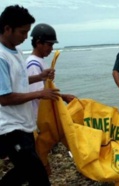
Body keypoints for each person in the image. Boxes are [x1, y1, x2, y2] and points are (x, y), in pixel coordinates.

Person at [0, 5, 61, 185]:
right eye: (22, 32)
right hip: (10, 128)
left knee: (25, 171)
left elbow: (20, 80)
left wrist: (39, 77)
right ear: (7, 28)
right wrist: (40, 94)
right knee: (37, 175)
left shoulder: (16, 51)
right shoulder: (1, 57)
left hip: (24, 124)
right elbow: (4, 98)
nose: (26, 37)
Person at [26, 23, 75, 121]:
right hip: (39, 117)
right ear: (38, 43)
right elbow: (40, 94)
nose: (51, 49)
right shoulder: (33, 64)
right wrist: (63, 97)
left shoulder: (40, 62)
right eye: (49, 44)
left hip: (44, 116)